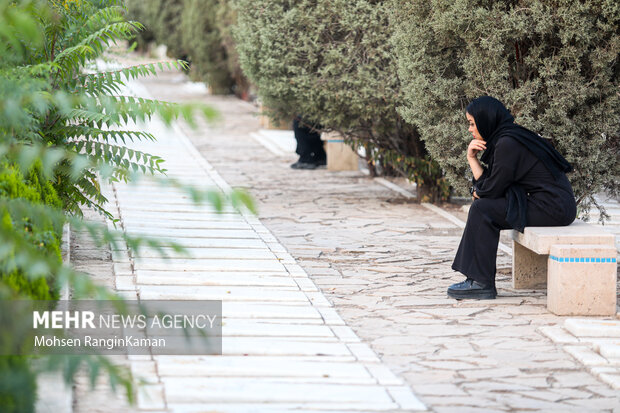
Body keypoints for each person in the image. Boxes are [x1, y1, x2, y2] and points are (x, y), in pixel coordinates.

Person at [449, 96, 576, 300]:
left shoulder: (508, 143)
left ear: (485, 119)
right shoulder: (506, 138)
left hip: (553, 208)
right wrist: (471, 158)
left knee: (482, 209)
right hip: (548, 204)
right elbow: (491, 184)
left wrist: (479, 192)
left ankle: (481, 283)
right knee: (482, 207)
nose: (470, 130)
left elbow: (491, 190)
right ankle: (478, 280)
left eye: (472, 124)